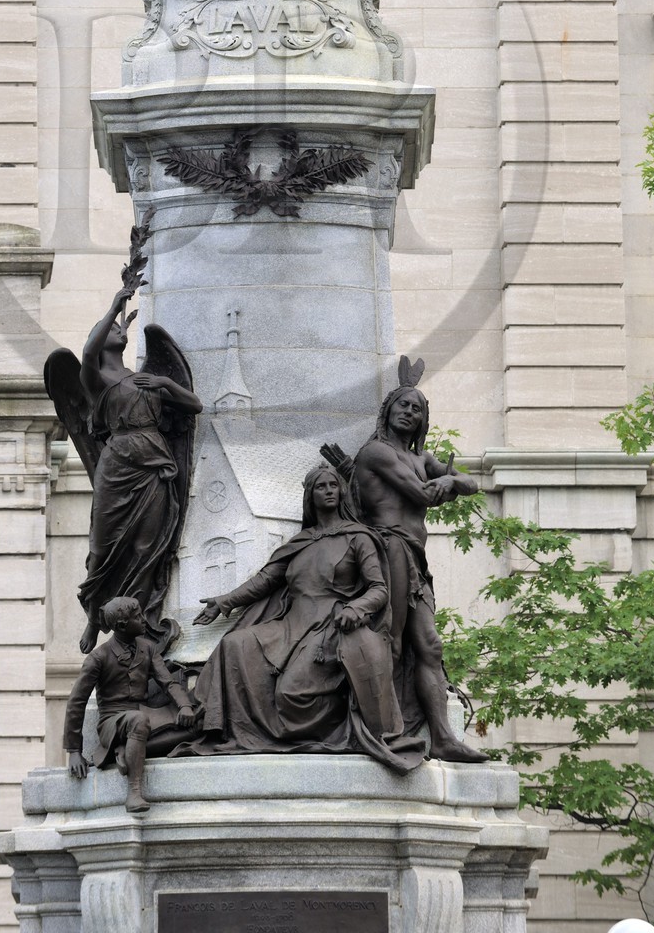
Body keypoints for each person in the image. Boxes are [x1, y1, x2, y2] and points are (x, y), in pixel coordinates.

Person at [188, 462, 421, 772]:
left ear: (341, 492)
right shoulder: (300, 543)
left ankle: (326, 733)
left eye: (333, 485)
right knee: (234, 644)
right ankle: (221, 727)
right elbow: (266, 579)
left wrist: (356, 608)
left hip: (330, 626)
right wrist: (224, 600)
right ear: (310, 496)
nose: (328, 491)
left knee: (291, 693)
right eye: (320, 487)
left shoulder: (358, 537)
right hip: (291, 623)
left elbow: (379, 590)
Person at [46, 266, 202, 655]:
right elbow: (84, 353)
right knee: (102, 545)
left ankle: (137, 619)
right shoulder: (94, 380)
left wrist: (166, 384)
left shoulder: (143, 378)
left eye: (118, 326)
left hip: (153, 462)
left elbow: (195, 405)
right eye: (111, 328)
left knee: (147, 545)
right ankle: (94, 617)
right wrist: (117, 301)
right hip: (117, 464)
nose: (119, 328)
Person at [353, 376, 486, 762]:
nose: (410, 412)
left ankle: (442, 738)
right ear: (388, 410)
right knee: (390, 642)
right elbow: (423, 494)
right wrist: (445, 480)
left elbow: (472, 484)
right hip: (388, 547)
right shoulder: (376, 453)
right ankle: (387, 730)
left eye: (418, 409)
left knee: (430, 645)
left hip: (415, 556)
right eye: (404, 405)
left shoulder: (420, 459)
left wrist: (449, 477)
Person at [64, 596, 199, 814]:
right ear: (121, 626)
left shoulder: (148, 648)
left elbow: (168, 682)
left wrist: (185, 706)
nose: (145, 620)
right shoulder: (98, 657)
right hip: (112, 721)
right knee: (138, 721)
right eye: (138, 617)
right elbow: (76, 702)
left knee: (195, 724)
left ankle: (127, 751)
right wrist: (73, 750)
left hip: (143, 714)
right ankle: (134, 792)